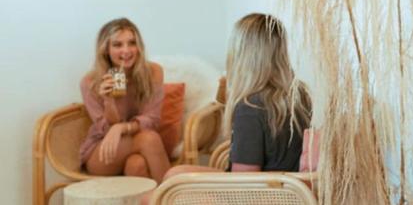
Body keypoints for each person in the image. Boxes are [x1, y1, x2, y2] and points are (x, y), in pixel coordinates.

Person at [165, 13, 312, 176]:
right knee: (175, 174)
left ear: (242, 55)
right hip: (287, 191)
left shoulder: (250, 107)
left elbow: (243, 181)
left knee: (170, 179)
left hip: (257, 194)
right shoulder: (299, 94)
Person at [79, 18, 170, 182]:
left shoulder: (153, 72)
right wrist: (108, 100)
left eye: (132, 43)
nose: (126, 50)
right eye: (117, 45)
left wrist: (122, 128)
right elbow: (104, 129)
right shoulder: (90, 82)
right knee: (149, 138)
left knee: (136, 165)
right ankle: (174, 196)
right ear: (105, 49)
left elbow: (152, 119)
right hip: (102, 151)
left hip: (137, 145)